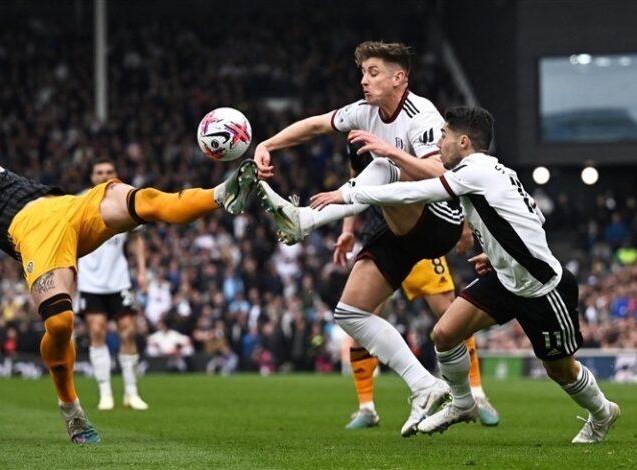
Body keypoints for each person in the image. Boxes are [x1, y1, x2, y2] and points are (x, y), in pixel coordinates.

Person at [0, 63, 259, 445]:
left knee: (142, 201)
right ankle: (71, 410)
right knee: (61, 325)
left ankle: (223, 194)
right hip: (32, 233)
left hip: (65, 204)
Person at [310, 106, 620, 444]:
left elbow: (415, 192)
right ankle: (462, 403)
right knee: (444, 333)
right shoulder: (495, 169)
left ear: (464, 142)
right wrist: (497, 251)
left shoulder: (473, 172)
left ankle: (603, 413)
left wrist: (349, 195)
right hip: (504, 278)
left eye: (443, 137)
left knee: (560, 370)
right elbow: (532, 215)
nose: (437, 143)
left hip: (542, 289)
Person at [254, 41, 462, 436]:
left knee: (381, 160)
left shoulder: (424, 116)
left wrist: (389, 153)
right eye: (363, 72)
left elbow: (440, 176)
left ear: (400, 78)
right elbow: (315, 125)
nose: (364, 80)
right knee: (349, 312)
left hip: (436, 220)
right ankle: (424, 386)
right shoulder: (364, 113)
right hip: (392, 221)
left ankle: (305, 221)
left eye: (374, 72)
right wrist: (267, 144)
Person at [342, 144, 499, 430]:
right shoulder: (357, 131)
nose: (367, 95)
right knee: (358, 319)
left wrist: (464, 223)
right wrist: (347, 230)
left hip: (419, 233)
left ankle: (477, 393)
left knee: (450, 313)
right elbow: (354, 178)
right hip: (379, 238)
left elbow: (444, 173)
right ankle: (366, 407)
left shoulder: (416, 124)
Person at [77, 158, 149, 411]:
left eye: (109, 171)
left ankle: (131, 392)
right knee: (96, 332)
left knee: (128, 332)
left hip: (118, 279)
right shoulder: (80, 201)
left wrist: (141, 271)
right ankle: (105, 392)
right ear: (92, 176)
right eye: (99, 172)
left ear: (116, 174)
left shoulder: (126, 198)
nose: (104, 175)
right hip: (90, 280)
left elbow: (137, 239)